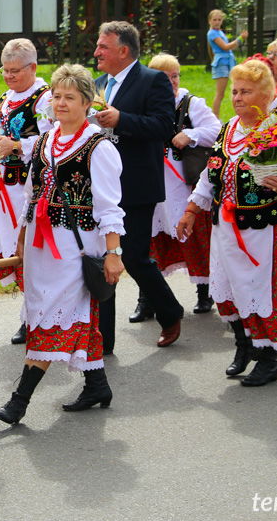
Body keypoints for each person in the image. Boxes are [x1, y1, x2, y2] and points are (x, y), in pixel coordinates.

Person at [0, 64, 124, 425]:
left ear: (87, 103)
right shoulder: (45, 141)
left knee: (54, 314)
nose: (61, 103)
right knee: (64, 312)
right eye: (57, 96)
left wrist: (113, 253)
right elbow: (30, 193)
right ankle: (97, 385)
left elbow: (109, 206)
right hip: (40, 245)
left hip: (74, 246)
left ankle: (18, 402)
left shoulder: (98, 146)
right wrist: (21, 237)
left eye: (70, 97)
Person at [176, 59, 277, 386]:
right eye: (235, 91)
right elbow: (211, 175)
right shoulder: (228, 129)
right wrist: (191, 210)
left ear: (265, 95)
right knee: (227, 287)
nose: (237, 97)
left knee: (257, 289)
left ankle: (268, 357)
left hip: (263, 228)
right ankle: (244, 345)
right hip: (225, 227)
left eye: (246, 92)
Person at [93, 21, 184, 350]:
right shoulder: (99, 84)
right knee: (103, 258)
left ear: (123, 50)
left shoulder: (152, 79)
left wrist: (122, 120)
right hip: (101, 185)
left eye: (103, 47)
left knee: (132, 257)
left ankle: (170, 312)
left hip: (136, 185)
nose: (96, 52)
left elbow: (163, 126)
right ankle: (102, 340)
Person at [142, 53, 222, 317]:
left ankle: (204, 292)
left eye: (175, 76)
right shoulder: (145, 104)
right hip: (153, 183)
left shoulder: (190, 104)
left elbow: (217, 129)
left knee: (196, 238)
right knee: (150, 241)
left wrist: (190, 134)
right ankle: (147, 299)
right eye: (165, 78)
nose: (172, 82)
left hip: (184, 184)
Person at [0, 39, 53, 345]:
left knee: (29, 249)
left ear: (33, 67)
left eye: (15, 71)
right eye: (5, 70)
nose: (8, 76)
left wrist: (16, 145)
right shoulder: (5, 97)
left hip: (30, 188)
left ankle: (36, 317)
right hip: (4, 188)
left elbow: (53, 140)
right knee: (13, 249)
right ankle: (30, 313)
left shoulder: (45, 99)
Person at [207, 9, 248, 118]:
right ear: (209, 21)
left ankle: (238, 113)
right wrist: (240, 38)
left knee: (234, 89)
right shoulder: (212, 33)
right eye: (214, 20)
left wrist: (240, 40)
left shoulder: (219, 32)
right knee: (220, 93)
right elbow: (225, 47)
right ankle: (215, 117)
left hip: (228, 62)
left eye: (219, 20)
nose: (217, 22)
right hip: (221, 64)